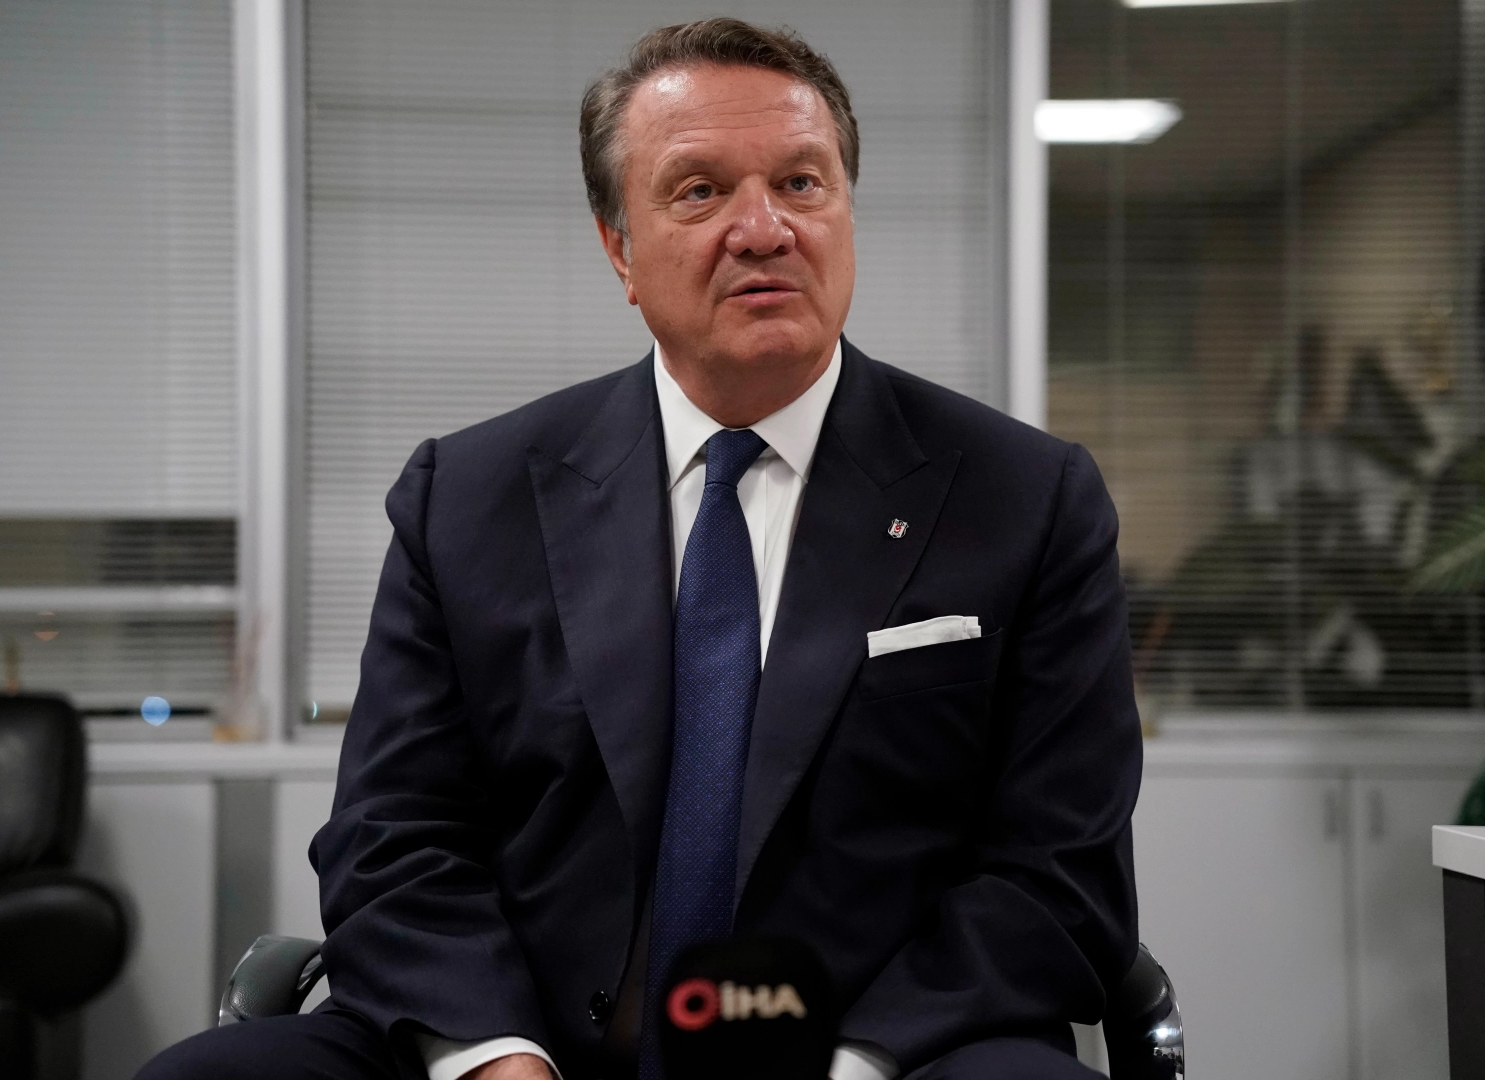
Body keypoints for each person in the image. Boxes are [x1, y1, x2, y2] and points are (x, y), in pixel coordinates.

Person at [139, 18, 1140, 1080]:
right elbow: (394, 836)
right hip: (539, 1046)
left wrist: (861, 1065)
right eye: (701, 191)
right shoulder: (468, 499)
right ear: (619, 248)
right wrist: (495, 1056)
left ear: (847, 210)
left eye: (801, 183)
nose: (764, 229)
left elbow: (1057, 871)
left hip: (882, 1052)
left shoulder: (1022, 498)